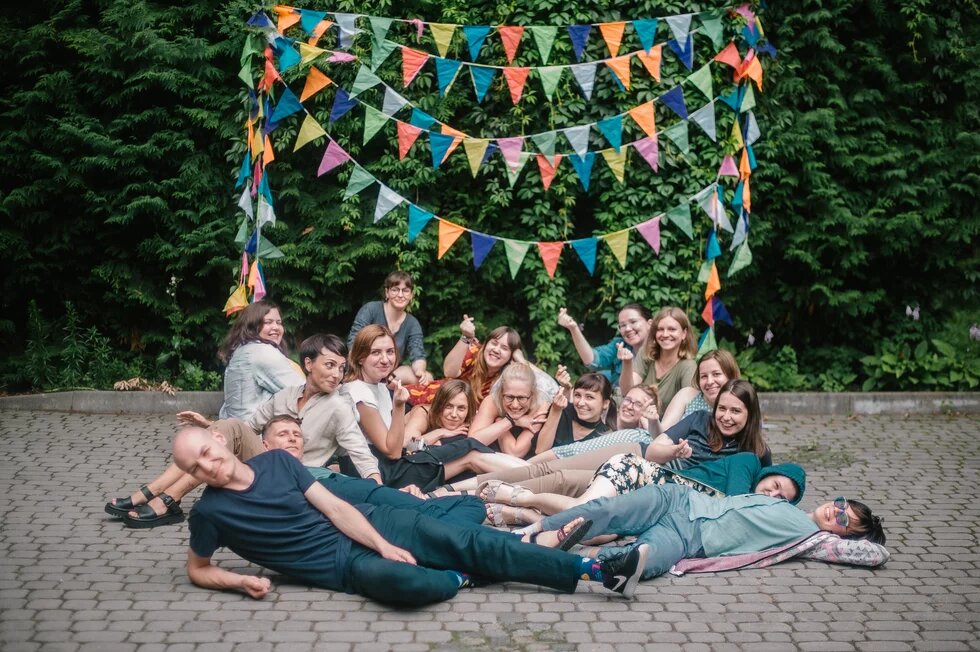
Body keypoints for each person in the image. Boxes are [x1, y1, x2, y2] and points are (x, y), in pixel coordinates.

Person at [173, 426, 651, 604]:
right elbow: (199, 569)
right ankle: (466, 575)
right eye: (192, 467)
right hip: (344, 567)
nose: (205, 465)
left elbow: (336, 506)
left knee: (467, 541)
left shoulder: (278, 462)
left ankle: (598, 570)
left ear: (217, 439)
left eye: (204, 452)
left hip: (371, 525)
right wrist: (241, 583)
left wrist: (383, 543)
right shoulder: (211, 513)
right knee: (414, 584)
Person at [106, 333, 382, 527]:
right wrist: (208, 426)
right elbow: (250, 427)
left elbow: (359, 449)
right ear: (308, 364)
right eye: (329, 365)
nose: (336, 374)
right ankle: (157, 495)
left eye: (341, 368)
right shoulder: (286, 394)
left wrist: (378, 488)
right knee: (214, 437)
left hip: (294, 476)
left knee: (226, 432)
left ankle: (163, 498)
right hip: (263, 463)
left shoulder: (338, 407)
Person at [521, 482, 886, 581]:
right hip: (677, 501)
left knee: (645, 563)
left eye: (843, 520)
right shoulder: (785, 505)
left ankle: (589, 566)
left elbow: (875, 554)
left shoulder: (811, 541)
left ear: (842, 536)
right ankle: (538, 530)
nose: (834, 511)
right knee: (607, 509)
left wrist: (862, 537)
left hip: (687, 540)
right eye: (841, 504)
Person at [259, 414, 485, 525]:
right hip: (369, 514)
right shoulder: (272, 477)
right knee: (453, 510)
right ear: (265, 445)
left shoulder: (317, 469)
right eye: (283, 434)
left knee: (473, 507)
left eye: (296, 435)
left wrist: (399, 493)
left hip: (378, 497)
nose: (292, 439)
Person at [479, 452, 807, 525]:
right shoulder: (748, 463)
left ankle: (523, 514)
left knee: (594, 526)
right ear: (770, 473)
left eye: (782, 499)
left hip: (652, 501)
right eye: (776, 486)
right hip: (637, 472)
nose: (773, 495)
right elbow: (737, 503)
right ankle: (521, 498)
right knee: (587, 509)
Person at [399, 380, 528, 485]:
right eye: (448, 406)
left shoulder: (469, 421)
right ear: (439, 405)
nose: (454, 415)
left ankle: (535, 474)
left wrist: (515, 420)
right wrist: (440, 432)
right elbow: (407, 445)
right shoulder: (424, 413)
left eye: (461, 408)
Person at [647, 378, 771, 470]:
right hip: (665, 473)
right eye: (722, 408)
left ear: (751, 414)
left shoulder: (759, 451)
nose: (726, 417)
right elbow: (651, 452)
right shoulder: (699, 419)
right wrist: (674, 451)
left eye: (735, 411)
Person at [218, 300, 305, 420]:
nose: (276, 327)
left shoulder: (241, 350)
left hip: (236, 429)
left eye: (279, 323)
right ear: (252, 326)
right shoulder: (262, 352)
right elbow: (302, 392)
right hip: (257, 433)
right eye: (268, 322)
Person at [407, 321, 523, 406]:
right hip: (417, 399)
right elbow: (449, 372)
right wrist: (466, 337)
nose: (496, 350)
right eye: (494, 343)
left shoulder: (507, 378)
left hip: (448, 418)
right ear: (486, 344)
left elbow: (540, 384)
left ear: (511, 356)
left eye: (504, 348)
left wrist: (521, 360)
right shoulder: (474, 351)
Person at [347, 271, 430, 385]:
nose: (400, 295)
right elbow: (354, 342)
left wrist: (420, 372)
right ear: (387, 292)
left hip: (389, 374)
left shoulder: (412, 323)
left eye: (405, 291)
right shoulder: (371, 309)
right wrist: (360, 370)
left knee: (428, 377)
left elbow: (418, 354)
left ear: (411, 295)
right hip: (361, 371)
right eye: (395, 290)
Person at [621, 306, 697, 410]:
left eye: (672, 329)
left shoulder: (688, 366)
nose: (665, 334)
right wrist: (627, 363)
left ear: (684, 333)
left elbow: (689, 408)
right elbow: (627, 391)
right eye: (660, 329)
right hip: (637, 419)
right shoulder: (646, 353)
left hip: (667, 425)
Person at [557, 303, 653, 386]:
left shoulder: (662, 349)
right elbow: (592, 361)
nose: (627, 329)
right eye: (623, 325)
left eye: (633, 322)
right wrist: (573, 328)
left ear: (650, 324)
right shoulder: (619, 345)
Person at [468, 363, 549, 459]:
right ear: (501, 392)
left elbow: (515, 452)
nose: (515, 405)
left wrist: (498, 421)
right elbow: (471, 441)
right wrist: (510, 421)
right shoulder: (492, 401)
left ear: (532, 395)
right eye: (509, 397)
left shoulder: (540, 406)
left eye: (521, 398)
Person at [533, 370, 617, 456]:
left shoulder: (605, 436)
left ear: (605, 403)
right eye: (577, 395)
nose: (580, 403)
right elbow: (540, 451)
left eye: (589, 397)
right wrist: (555, 411)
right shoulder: (561, 409)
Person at [660, 349, 741, 430]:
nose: (709, 381)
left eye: (716, 374)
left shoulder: (741, 405)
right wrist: (651, 420)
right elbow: (661, 432)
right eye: (704, 376)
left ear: (731, 376)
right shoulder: (687, 395)